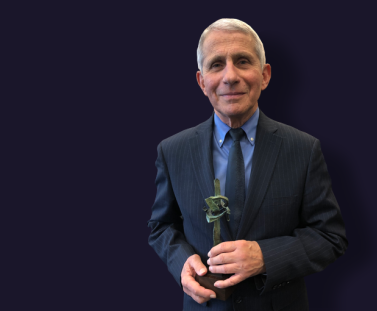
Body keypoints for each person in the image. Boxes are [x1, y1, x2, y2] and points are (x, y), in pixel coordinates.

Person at [147, 18, 348, 310]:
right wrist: (181, 261)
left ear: (265, 75)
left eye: (242, 61)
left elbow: (331, 237)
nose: (230, 76)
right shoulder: (172, 150)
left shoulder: (303, 149)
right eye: (217, 64)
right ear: (202, 82)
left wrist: (265, 256)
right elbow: (161, 226)